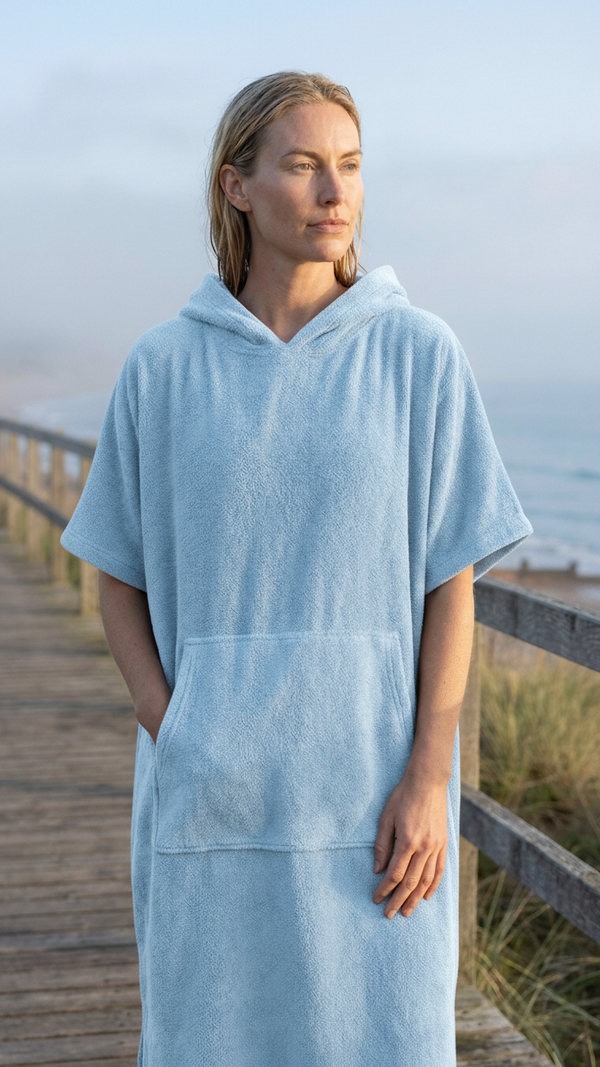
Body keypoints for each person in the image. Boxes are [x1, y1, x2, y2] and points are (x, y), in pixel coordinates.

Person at [61, 71, 532, 1067]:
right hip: (211, 788)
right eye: (305, 166)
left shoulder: (418, 355)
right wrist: (173, 724)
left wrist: (429, 773)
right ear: (237, 186)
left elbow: (452, 578)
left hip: (375, 797)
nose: (335, 193)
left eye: (351, 167)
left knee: (386, 1038)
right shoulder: (163, 367)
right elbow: (117, 571)